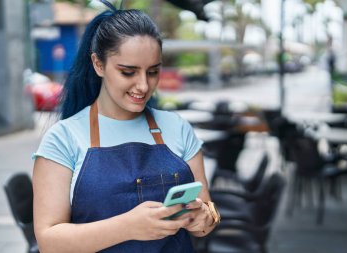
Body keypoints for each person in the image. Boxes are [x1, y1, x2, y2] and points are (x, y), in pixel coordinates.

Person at [32, 1, 220, 252]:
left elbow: (207, 210)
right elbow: (49, 241)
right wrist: (128, 226)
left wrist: (205, 218)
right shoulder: (63, 139)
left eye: (153, 71)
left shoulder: (177, 128)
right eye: (128, 72)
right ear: (98, 64)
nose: (143, 85)